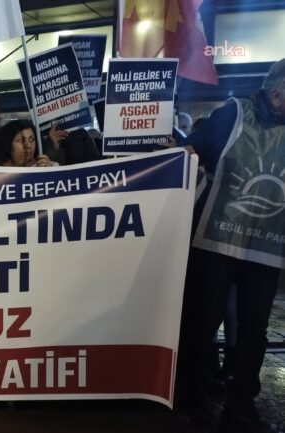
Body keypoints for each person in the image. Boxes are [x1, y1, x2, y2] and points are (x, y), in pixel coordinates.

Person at [176, 58, 285, 433]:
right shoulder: (232, 115)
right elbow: (191, 151)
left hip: (264, 247)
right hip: (216, 243)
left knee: (254, 330)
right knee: (203, 321)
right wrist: (179, 155)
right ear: (276, 95)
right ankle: (189, 397)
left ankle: (242, 403)